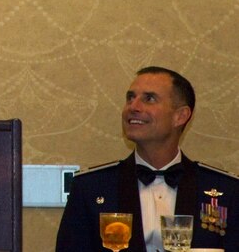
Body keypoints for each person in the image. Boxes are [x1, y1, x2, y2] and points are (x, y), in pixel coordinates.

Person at [56, 66, 239, 252]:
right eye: (130, 98)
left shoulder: (226, 191)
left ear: (180, 116)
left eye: (149, 99)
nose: (133, 107)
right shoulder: (91, 188)